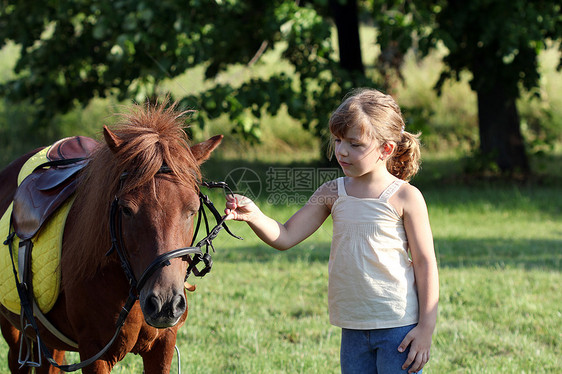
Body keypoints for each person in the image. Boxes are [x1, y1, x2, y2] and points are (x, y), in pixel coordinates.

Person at [224, 88, 439, 374]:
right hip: (351, 327)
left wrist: (426, 328)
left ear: (385, 149)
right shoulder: (331, 192)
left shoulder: (405, 197)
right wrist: (255, 216)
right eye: (338, 140)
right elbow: (286, 235)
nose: (341, 151)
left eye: (355, 144)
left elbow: (425, 264)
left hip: (398, 328)